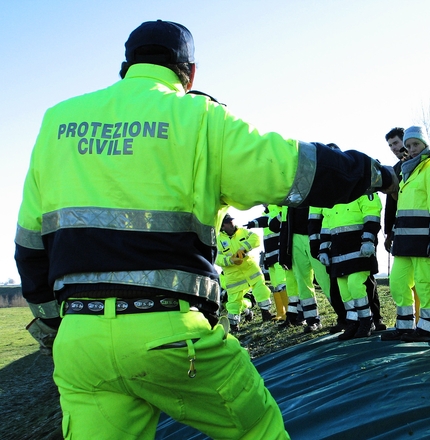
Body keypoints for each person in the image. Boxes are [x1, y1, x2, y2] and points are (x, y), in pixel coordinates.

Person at [14, 20, 397, 439]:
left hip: (80, 343)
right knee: (259, 429)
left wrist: (57, 328)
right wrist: (375, 174)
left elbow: (30, 248)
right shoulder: (200, 118)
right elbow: (294, 167)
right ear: (190, 72)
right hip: (171, 334)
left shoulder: (58, 122)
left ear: (126, 65)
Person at [381, 126, 430, 342]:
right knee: (398, 282)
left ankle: (428, 328)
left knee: (427, 283)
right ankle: (404, 326)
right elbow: (401, 208)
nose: (411, 149)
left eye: (416, 145)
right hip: (404, 241)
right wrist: (393, 233)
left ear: (425, 144)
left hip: (425, 239)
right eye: (409, 145)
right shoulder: (406, 170)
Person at [318, 193, 382, 339]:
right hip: (338, 253)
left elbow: (372, 215)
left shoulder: (364, 192)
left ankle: (366, 321)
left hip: (359, 250)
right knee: (344, 290)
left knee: (355, 285)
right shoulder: (331, 199)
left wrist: (368, 240)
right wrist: (323, 250)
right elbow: (326, 227)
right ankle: (353, 323)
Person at [216, 214, 273, 331]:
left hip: (251, 269)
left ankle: (266, 312)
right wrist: (230, 260)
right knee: (234, 301)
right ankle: (233, 325)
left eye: (232, 220)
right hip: (233, 276)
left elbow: (256, 238)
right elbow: (216, 258)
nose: (232, 223)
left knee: (261, 289)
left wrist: (243, 249)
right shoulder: (218, 241)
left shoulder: (243, 232)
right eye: (228, 222)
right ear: (222, 226)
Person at [245, 205, 288, 321]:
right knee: (275, 285)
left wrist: (253, 223)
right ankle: (281, 313)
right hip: (270, 255)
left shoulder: (277, 210)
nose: (263, 203)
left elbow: (265, 221)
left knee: (282, 283)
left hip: (279, 253)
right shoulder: (267, 213)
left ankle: (290, 313)